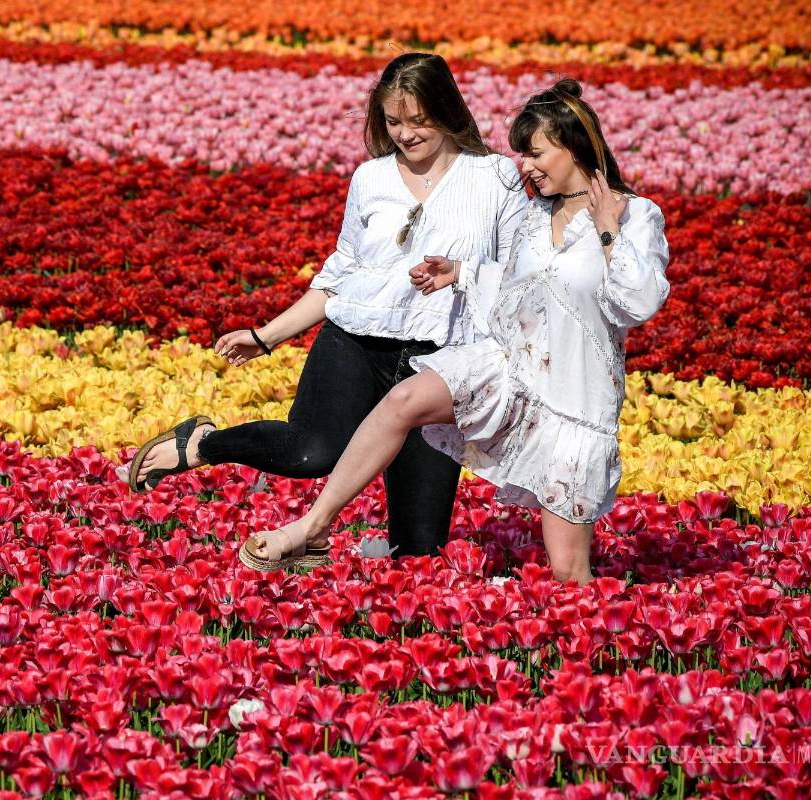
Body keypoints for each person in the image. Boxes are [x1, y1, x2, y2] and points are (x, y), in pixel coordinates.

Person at [238, 79, 670, 583]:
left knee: (569, 574)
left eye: (534, 153)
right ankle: (310, 528)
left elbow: (638, 302)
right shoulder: (534, 215)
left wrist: (606, 228)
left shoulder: (635, 215)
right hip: (508, 369)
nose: (524, 166)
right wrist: (461, 273)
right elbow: (517, 289)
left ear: (574, 145)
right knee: (404, 401)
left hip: (572, 403)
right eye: (520, 154)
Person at [127, 52, 528, 559]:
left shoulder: (496, 179)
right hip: (357, 343)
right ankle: (203, 443)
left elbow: (519, 277)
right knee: (313, 451)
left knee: (420, 550)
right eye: (393, 120)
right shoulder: (371, 179)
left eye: (418, 120)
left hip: (440, 363)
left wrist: (466, 277)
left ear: (447, 111)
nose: (404, 133)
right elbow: (338, 278)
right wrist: (265, 336)